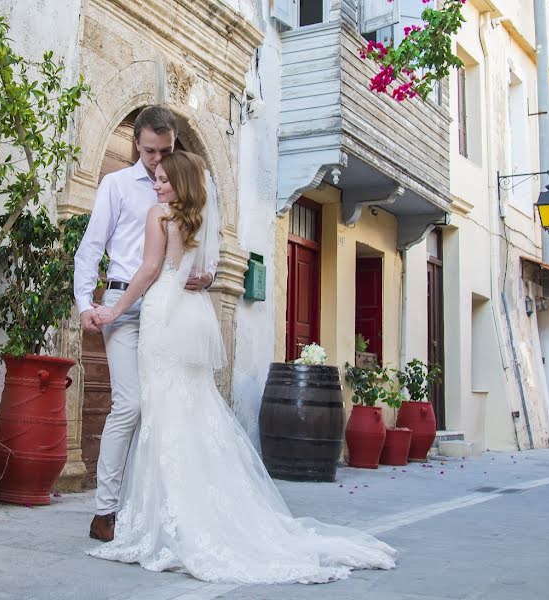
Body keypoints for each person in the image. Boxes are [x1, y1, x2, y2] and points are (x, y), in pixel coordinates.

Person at [85, 151, 397, 584]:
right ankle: (197, 509)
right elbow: (205, 270)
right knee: (191, 407)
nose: (154, 187)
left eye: (161, 180)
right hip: (191, 313)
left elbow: (150, 268)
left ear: (177, 182)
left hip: (162, 314)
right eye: (154, 179)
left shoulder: (159, 215)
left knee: (163, 410)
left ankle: (167, 518)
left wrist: (115, 308)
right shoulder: (200, 214)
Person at [73, 107, 216, 543]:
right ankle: (105, 511)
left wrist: (205, 275)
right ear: (137, 144)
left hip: (167, 309)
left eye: (166, 151)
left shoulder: (184, 189)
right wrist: (86, 305)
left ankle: (158, 508)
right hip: (121, 300)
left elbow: (206, 252)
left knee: (164, 407)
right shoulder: (115, 185)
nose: (158, 161)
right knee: (129, 405)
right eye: (151, 151)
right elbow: (90, 248)